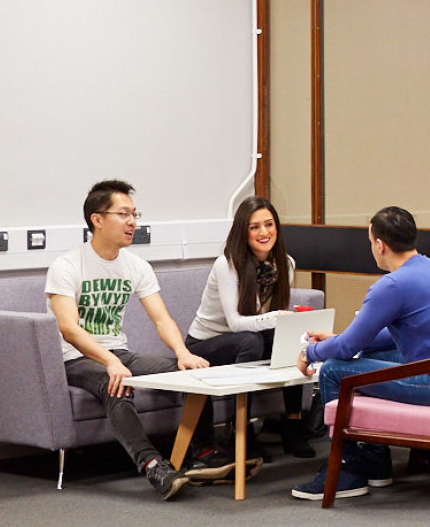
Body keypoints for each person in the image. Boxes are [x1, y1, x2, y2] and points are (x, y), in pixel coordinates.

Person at [290, 206, 430, 501]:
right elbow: (380, 335)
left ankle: (348, 468)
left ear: (379, 245)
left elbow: (347, 349)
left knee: (333, 369)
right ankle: (377, 464)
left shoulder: (392, 285)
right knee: (378, 356)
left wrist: (310, 351)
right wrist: (340, 337)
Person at [46, 180, 203, 500]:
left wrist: (182, 352)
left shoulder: (136, 266)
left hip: (118, 352)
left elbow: (161, 318)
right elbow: (69, 330)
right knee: (116, 381)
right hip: (73, 358)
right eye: (123, 214)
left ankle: (202, 453)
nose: (133, 222)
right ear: (97, 219)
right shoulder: (66, 266)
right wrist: (111, 362)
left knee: (191, 373)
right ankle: (152, 464)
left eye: (135, 214)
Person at [182, 197, 315, 479]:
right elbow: (235, 322)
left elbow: (264, 317)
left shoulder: (285, 264)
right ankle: (242, 431)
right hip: (206, 344)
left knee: (290, 339)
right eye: (255, 227)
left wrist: (286, 324)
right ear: (243, 232)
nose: (264, 232)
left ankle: (292, 425)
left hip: (246, 336)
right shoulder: (227, 264)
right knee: (252, 341)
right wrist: (276, 317)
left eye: (269, 225)